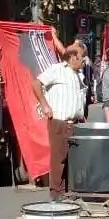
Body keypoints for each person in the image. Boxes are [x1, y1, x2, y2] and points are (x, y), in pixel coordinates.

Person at [32, 46, 86, 201]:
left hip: (75, 123)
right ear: (73, 57)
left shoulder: (79, 75)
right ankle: (57, 194)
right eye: (82, 57)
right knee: (59, 159)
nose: (83, 60)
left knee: (73, 159)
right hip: (59, 122)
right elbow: (36, 84)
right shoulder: (57, 69)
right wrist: (44, 104)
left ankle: (70, 192)